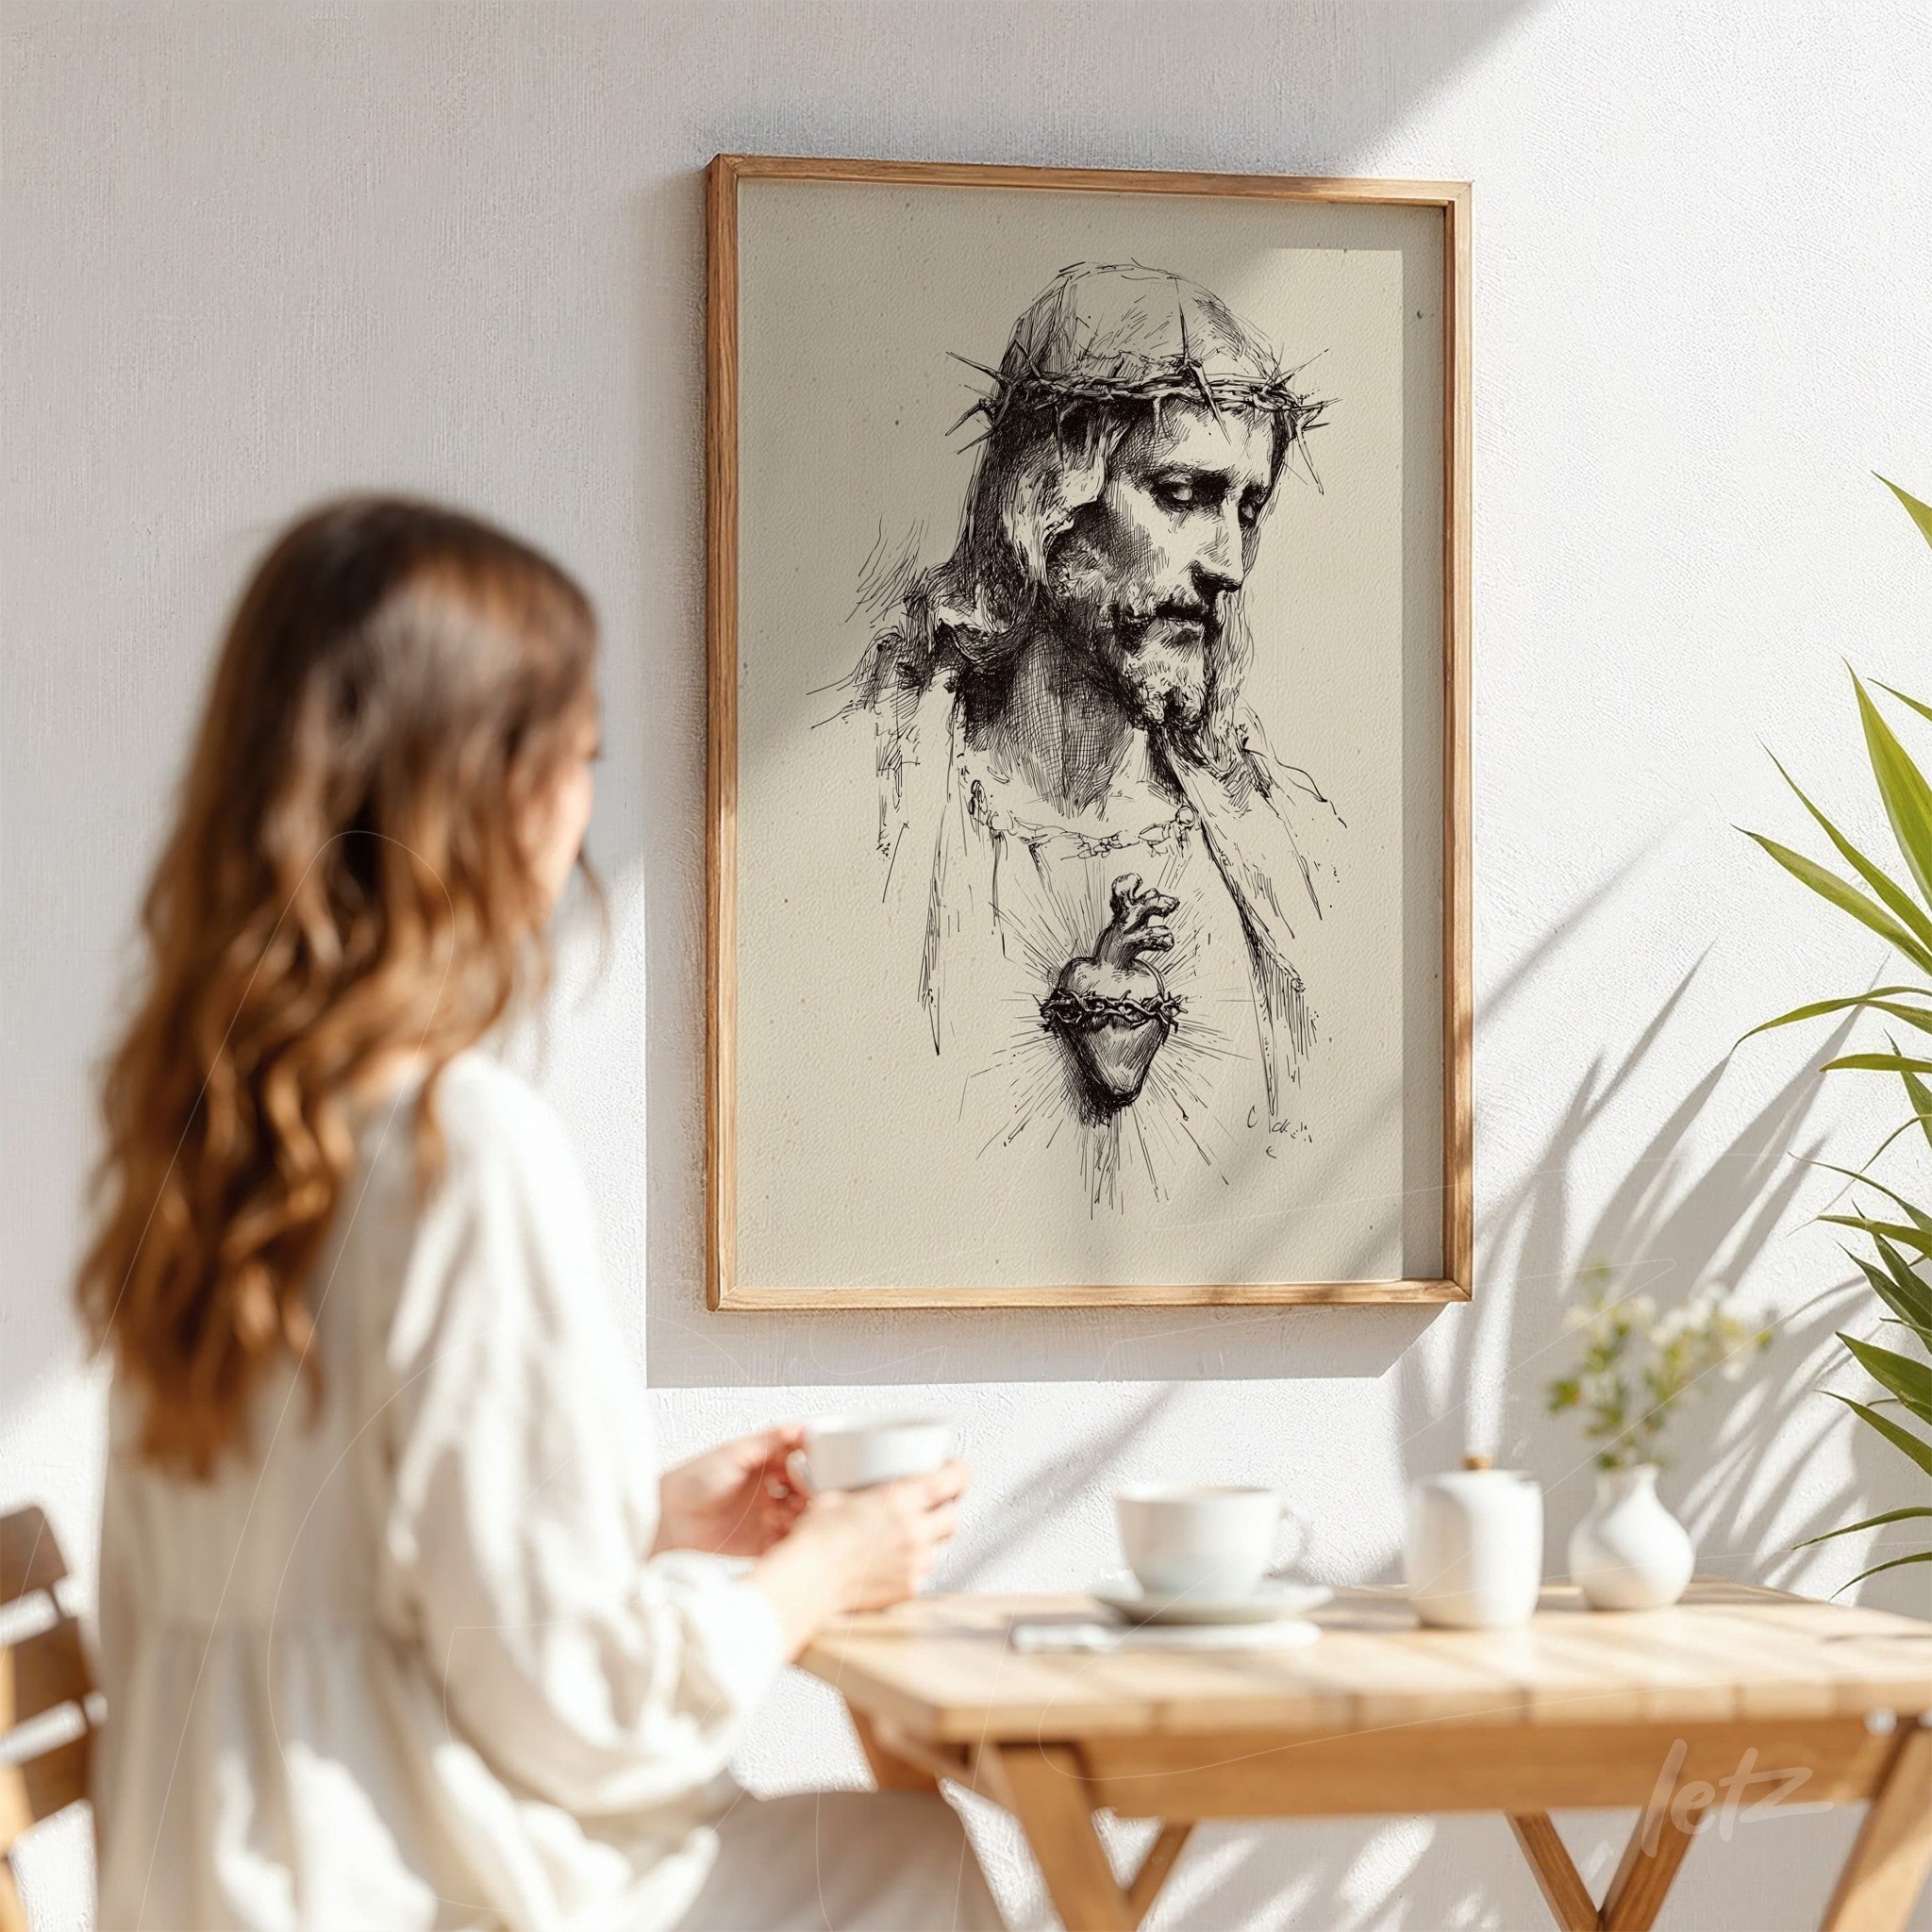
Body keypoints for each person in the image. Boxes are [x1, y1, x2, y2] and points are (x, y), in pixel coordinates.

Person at [77, 498, 1003, 1931]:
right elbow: (575, 1703)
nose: (585, 804)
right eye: (578, 758)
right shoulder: (455, 1152)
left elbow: (344, 1573)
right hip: (406, 1881)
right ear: (486, 793)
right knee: (914, 1868)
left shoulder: (202, 1141)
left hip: (214, 1876)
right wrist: (816, 1575)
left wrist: (634, 1524)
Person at [841, 263, 1347, 1200]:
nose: (1228, 564)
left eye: (1245, 507)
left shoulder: (1281, 836)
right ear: (1049, 495)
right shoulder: (874, 788)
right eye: (1182, 492)